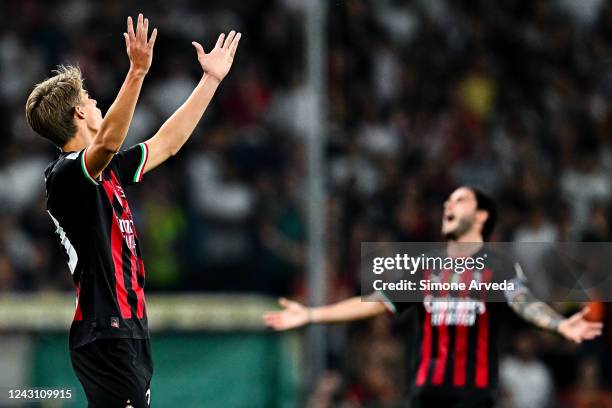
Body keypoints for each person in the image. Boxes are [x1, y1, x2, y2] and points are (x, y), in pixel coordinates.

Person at [25, 13, 241, 407]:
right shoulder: (66, 177)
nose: (96, 103)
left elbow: (167, 143)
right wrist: (137, 72)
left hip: (126, 330)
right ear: (78, 115)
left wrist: (210, 80)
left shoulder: (106, 172)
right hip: (105, 333)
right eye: (90, 100)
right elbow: (108, 140)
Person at [263, 186, 603, 408]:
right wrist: (312, 315)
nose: (448, 204)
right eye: (447, 200)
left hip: (474, 396)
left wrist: (559, 326)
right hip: (426, 393)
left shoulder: (498, 266)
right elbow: (374, 302)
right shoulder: (425, 266)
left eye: (460, 200)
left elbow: (522, 302)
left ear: (482, 216)